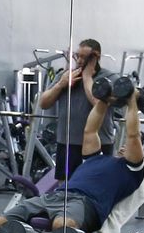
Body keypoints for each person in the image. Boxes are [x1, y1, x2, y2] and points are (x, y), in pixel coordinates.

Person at [0, 83, 144, 233]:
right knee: (1, 221)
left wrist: (132, 100)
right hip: (57, 195)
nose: (126, 146)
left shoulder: (132, 170)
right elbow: (90, 130)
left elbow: (133, 135)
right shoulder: (95, 158)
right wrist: (104, 100)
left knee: (61, 225)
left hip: (86, 203)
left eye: (133, 146)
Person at [37, 39, 116, 180]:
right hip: (68, 143)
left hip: (99, 144)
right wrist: (61, 84)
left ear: (96, 57)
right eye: (77, 56)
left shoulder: (108, 78)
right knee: (65, 186)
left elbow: (97, 102)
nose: (79, 61)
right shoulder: (66, 76)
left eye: (84, 57)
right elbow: (43, 103)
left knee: (97, 184)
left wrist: (87, 77)